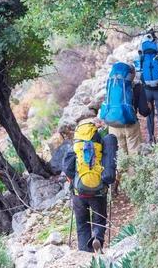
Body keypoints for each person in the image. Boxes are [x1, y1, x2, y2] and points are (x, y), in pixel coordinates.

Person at [63, 120, 118, 253]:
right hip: (98, 191)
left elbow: (68, 169)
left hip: (79, 193)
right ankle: (97, 238)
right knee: (99, 218)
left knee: (82, 224)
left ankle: (84, 252)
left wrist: (73, 181)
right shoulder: (100, 146)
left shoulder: (76, 148)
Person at [107, 64, 149, 180]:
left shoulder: (112, 85)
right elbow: (144, 111)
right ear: (133, 74)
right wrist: (149, 107)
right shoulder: (137, 87)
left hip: (113, 124)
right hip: (130, 124)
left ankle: (118, 183)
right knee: (134, 154)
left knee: (119, 154)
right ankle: (133, 183)